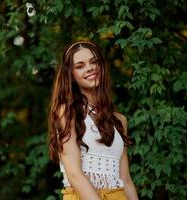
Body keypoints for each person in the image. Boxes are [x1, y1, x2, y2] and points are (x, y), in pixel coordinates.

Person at [48, 40, 138, 200]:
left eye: (94, 62)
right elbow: (74, 174)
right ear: (71, 75)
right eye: (80, 66)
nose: (90, 68)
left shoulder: (119, 120)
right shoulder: (67, 112)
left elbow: (126, 180)